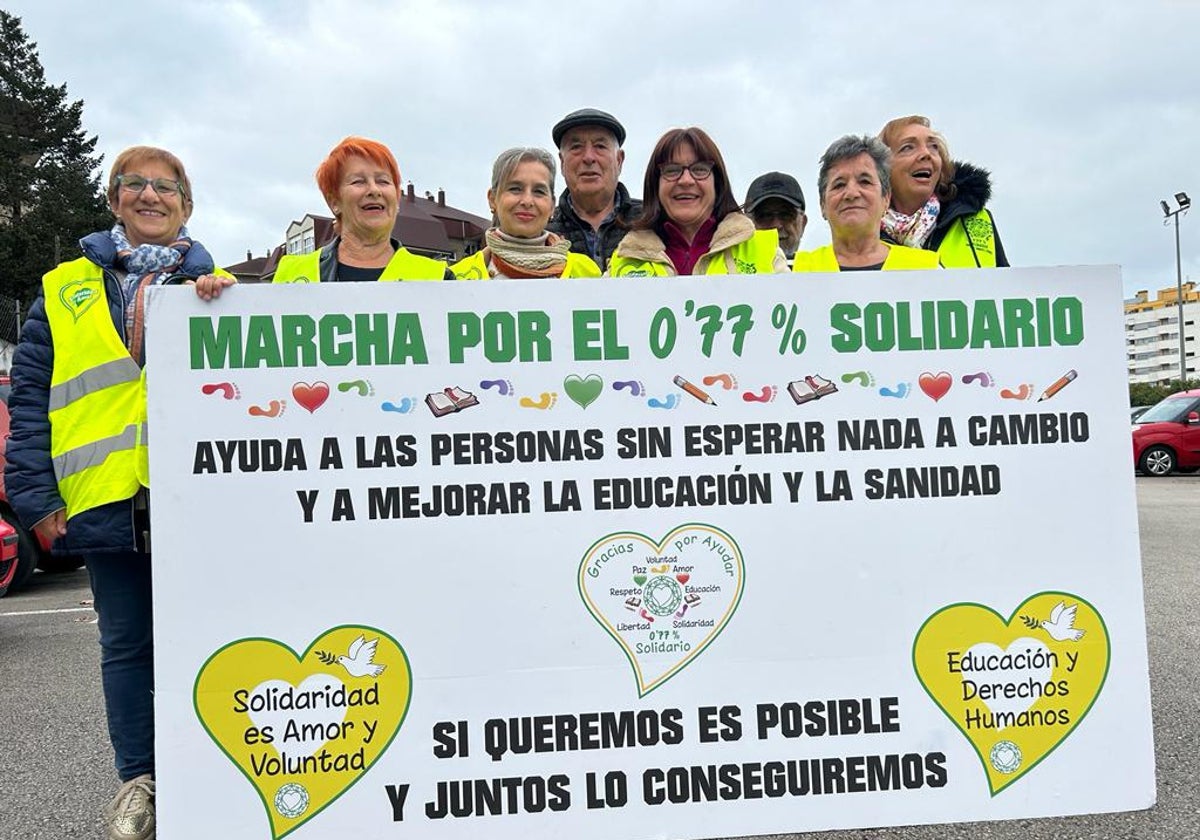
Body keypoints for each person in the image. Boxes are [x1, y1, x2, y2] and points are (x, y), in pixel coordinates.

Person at [5, 146, 233, 840]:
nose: (150, 196)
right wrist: (38, 501)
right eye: (135, 184)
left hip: (197, 504)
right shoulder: (64, 287)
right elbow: (31, 397)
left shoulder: (217, 288)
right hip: (103, 498)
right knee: (128, 646)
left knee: (206, 642)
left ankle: (208, 777)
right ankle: (140, 783)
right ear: (114, 200)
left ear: (186, 207)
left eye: (166, 187)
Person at [608, 127, 787, 276]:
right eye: (671, 170)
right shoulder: (624, 258)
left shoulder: (766, 251)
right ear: (655, 185)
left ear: (717, 183)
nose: (686, 180)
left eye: (700, 170)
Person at [273, 136, 452, 283]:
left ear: (397, 198)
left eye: (383, 181)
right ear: (334, 201)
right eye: (358, 181)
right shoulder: (290, 276)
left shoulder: (439, 278)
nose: (374, 190)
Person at [793, 135, 942, 272]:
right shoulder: (793, 272)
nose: (851, 194)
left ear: (886, 199)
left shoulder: (928, 269)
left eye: (865, 182)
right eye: (839, 185)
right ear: (822, 205)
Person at [877, 115, 1008, 267]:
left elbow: (1009, 288)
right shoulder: (861, 232)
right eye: (908, 147)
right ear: (882, 169)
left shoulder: (977, 219)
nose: (926, 154)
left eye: (933, 146)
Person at [450, 148, 600, 279]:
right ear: (492, 199)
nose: (527, 201)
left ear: (551, 205)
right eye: (515, 189)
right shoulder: (455, 279)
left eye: (539, 191)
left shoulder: (587, 272)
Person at [546, 108, 642, 271]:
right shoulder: (542, 232)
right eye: (576, 147)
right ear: (562, 162)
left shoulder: (651, 221)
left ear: (619, 160)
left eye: (600, 146)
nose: (589, 157)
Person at [744, 171, 807, 258]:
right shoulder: (727, 270)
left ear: (803, 223)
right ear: (746, 224)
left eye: (786, 214)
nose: (776, 225)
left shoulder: (823, 269)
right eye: (765, 216)